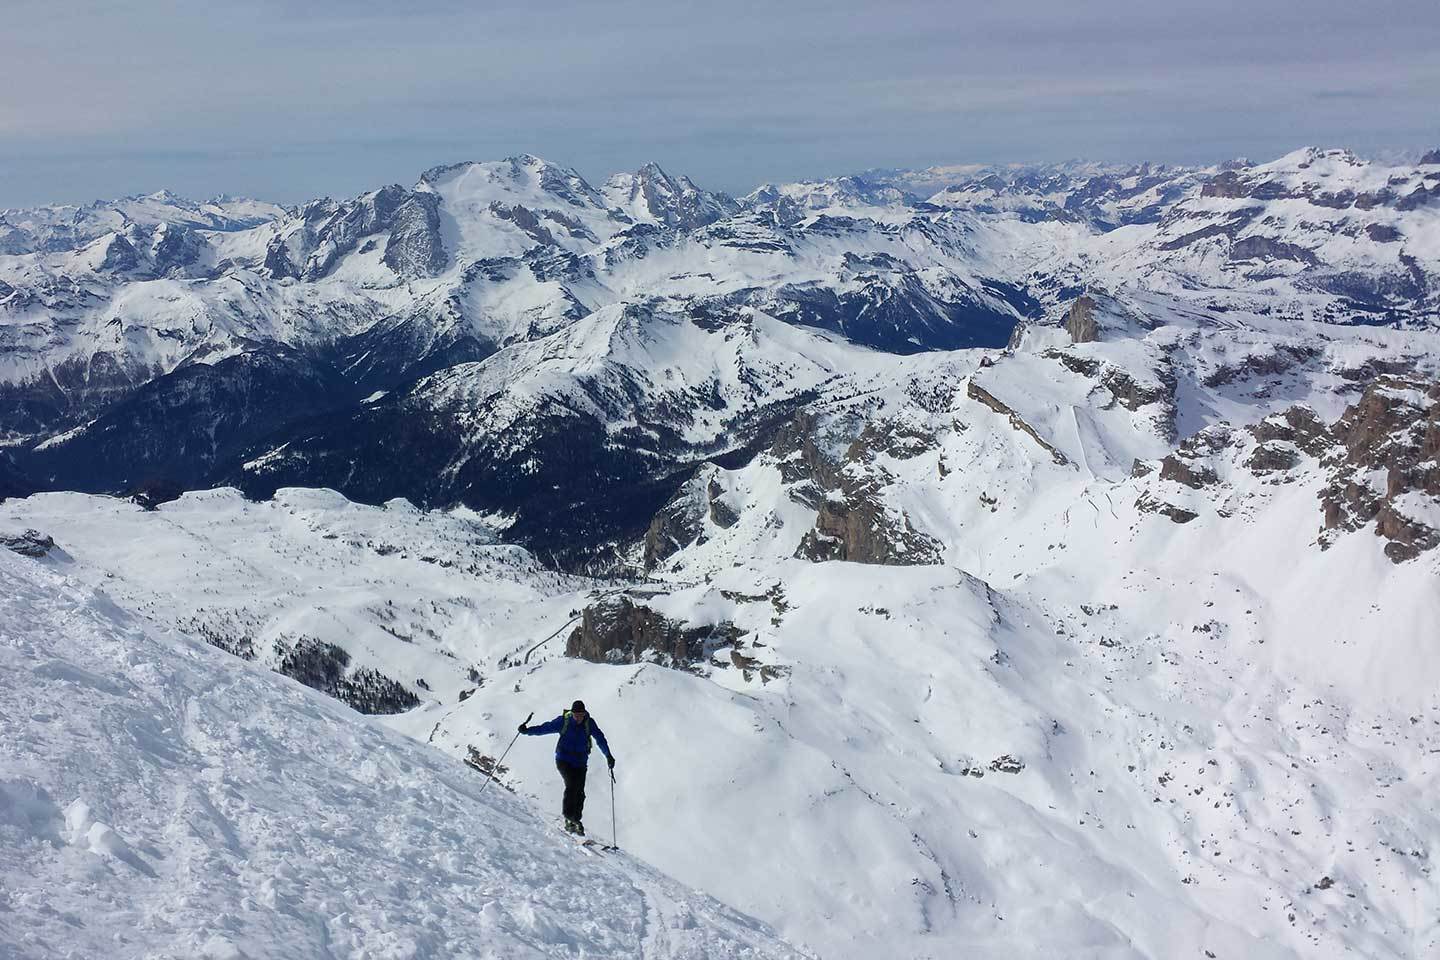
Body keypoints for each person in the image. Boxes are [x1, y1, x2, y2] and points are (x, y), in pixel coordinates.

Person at [519, 700, 615, 836]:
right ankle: (568, 817)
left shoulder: (589, 723)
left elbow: (600, 739)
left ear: (584, 713)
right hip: (563, 759)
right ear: (572, 713)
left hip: (581, 762)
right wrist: (527, 731)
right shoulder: (563, 721)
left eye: (581, 715)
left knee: (580, 792)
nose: (578, 718)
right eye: (576, 715)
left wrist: (608, 755)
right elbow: (545, 728)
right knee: (571, 786)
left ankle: (575, 820)